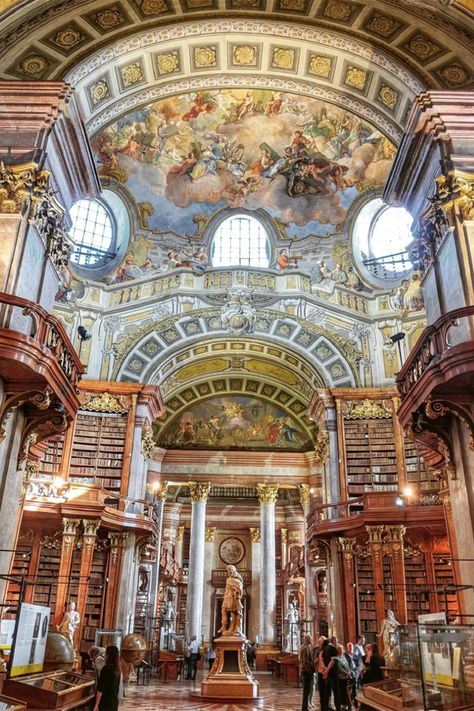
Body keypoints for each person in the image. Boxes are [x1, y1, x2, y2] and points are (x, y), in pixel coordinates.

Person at [93, 645, 121, 711]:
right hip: (114, 701)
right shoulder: (118, 669)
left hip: (105, 701)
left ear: (108, 655)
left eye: (106, 653)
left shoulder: (106, 669)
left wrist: (96, 705)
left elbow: (100, 688)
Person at [298, 634, 314, 711]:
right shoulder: (305, 648)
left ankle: (305, 707)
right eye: (311, 639)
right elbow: (305, 661)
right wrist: (309, 670)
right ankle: (304, 708)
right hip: (306, 672)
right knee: (306, 690)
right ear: (307, 639)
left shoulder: (305, 647)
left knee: (307, 690)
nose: (312, 640)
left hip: (306, 671)